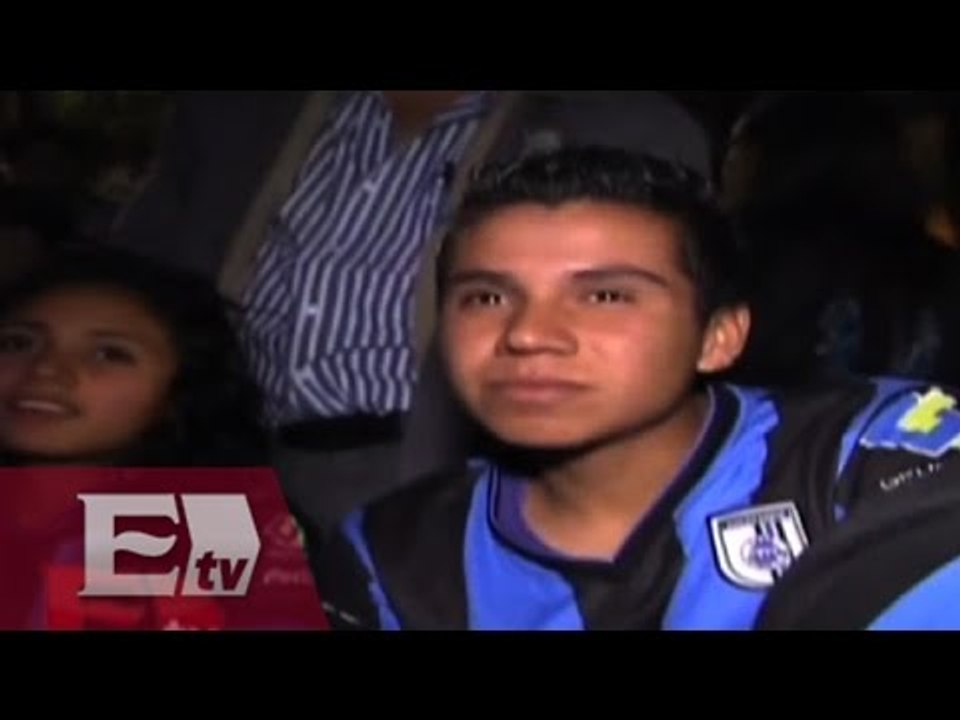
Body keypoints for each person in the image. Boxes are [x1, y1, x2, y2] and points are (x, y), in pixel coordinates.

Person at [310, 146, 960, 630]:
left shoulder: (866, 459)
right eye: (487, 296)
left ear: (719, 337)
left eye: (605, 295)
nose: (529, 334)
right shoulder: (394, 558)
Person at [105, 90, 714, 531]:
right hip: (218, 462)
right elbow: (129, 289)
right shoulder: (238, 115)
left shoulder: (613, 122)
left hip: (453, 475)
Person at [0, 246, 269, 467]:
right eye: (18, 343)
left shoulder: (232, 526)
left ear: (179, 392)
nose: (45, 368)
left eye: (109, 354)